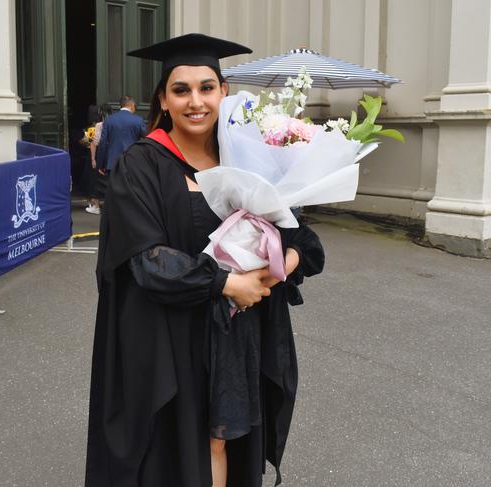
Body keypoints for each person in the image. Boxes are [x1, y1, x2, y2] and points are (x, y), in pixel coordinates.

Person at [85, 33, 325, 487]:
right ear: (164, 99)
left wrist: (281, 265)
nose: (195, 101)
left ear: (223, 92)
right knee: (184, 447)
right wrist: (230, 285)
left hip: (237, 333)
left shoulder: (248, 156)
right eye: (181, 90)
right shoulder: (142, 164)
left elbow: (303, 239)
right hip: (172, 338)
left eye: (206, 87)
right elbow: (147, 260)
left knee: (230, 442)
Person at [94, 95, 147, 176]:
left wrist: (100, 165)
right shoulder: (138, 120)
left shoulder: (109, 120)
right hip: (132, 163)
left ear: (121, 105)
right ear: (132, 105)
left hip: (112, 164)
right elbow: (146, 141)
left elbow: (103, 143)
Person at [85, 103, 113, 214]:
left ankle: (96, 206)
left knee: (96, 180)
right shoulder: (114, 124)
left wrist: (93, 159)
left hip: (101, 155)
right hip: (112, 155)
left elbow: (94, 144)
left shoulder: (99, 125)